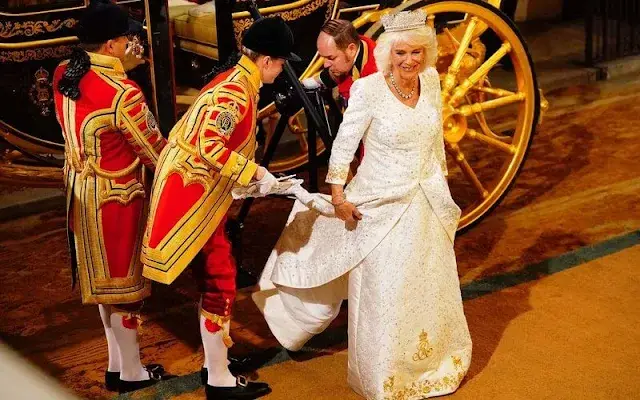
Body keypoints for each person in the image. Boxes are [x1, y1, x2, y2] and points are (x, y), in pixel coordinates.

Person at [253, 9, 472, 399]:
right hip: (378, 201)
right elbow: (344, 146)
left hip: (425, 203)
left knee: (426, 287)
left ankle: (430, 366)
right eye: (401, 52)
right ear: (388, 52)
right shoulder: (369, 90)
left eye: (417, 52)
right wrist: (337, 196)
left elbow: (436, 140)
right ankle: (384, 378)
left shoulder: (432, 82)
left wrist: (442, 189)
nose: (410, 60)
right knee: (384, 290)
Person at [140, 16, 300, 400]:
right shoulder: (234, 91)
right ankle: (219, 379)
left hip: (200, 196)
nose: (281, 70)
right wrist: (255, 172)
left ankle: (218, 364)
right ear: (266, 61)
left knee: (217, 277)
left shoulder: (238, 82)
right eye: (280, 63)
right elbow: (211, 146)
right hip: (193, 200)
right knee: (220, 279)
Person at [52, 0, 169, 393]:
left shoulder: (62, 72)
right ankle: (131, 372)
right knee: (125, 292)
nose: (130, 42)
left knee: (104, 288)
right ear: (112, 44)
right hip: (117, 199)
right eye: (125, 37)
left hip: (79, 194)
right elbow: (156, 152)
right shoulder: (124, 93)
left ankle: (118, 365)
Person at [302, 19, 377, 109]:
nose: (325, 65)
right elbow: (329, 77)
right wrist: (307, 83)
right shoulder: (354, 47)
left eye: (331, 58)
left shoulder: (378, 78)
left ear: (351, 49)